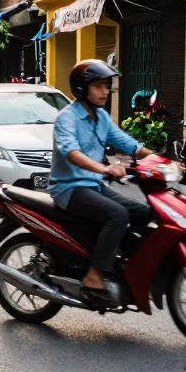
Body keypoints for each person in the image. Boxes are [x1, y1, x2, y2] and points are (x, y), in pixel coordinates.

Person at [48, 60, 154, 306]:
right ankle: (94, 276)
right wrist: (105, 168)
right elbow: (71, 153)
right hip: (69, 189)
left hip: (93, 186)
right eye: (99, 86)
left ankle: (116, 260)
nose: (105, 91)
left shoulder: (102, 117)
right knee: (117, 214)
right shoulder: (67, 118)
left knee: (146, 213)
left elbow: (130, 145)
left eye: (107, 86)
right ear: (83, 88)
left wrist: (163, 162)